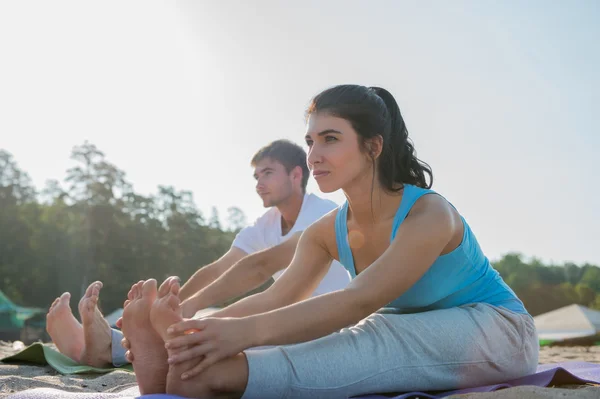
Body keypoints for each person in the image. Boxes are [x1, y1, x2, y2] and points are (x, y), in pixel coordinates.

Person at [120, 84, 539, 399]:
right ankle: (179, 372)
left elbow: (359, 299)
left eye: (331, 139)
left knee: (373, 335)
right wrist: (203, 330)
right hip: (408, 328)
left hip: (497, 330)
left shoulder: (428, 213)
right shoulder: (326, 231)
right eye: (310, 141)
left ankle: (213, 376)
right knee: (348, 334)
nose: (314, 154)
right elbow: (276, 298)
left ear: (373, 146)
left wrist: (236, 334)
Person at [45, 139, 350, 368]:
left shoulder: (322, 213)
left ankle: (105, 347)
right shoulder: (266, 223)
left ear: (296, 175)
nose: (259, 184)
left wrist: (183, 310)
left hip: (324, 326)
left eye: (267, 173)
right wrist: (170, 306)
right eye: (256, 177)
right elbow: (219, 268)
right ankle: (99, 346)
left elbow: (260, 266)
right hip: (284, 317)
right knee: (206, 317)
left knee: (214, 328)